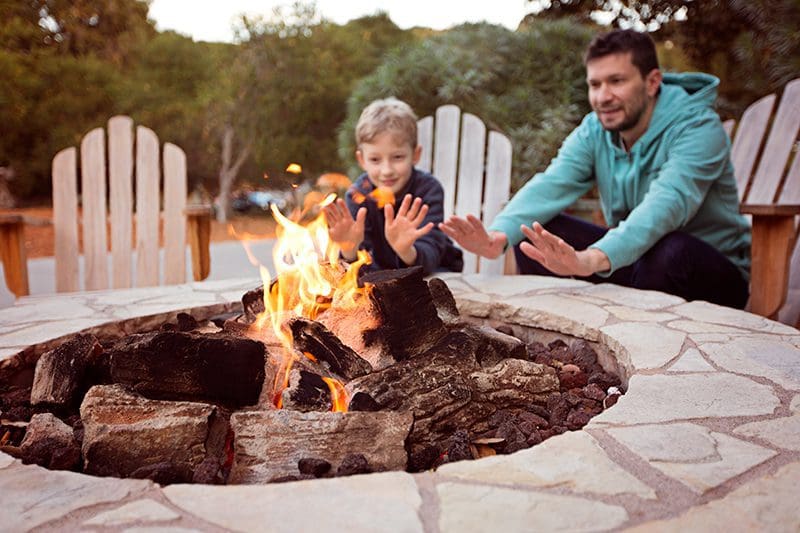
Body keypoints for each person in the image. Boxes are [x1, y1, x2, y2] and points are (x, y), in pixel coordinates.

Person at [440, 29, 750, 309]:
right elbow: (553, 182)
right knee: (535, 234)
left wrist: (590, 259)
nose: (603, 97)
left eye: (617, 81)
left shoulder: (698, 127)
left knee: (669, 250)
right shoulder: (595, 130)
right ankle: (561, 342)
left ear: (652, 82)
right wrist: (497, 238)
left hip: (710, 274)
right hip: (636, 263)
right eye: (595, 84)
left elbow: (667, 204)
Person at [324, 97, 463, 275]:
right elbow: (357, 271)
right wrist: (349, 250)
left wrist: (406, 250)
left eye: (397, 157)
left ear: (415, 155)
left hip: (434, 277)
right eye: (375, 159)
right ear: (361, 160)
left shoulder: (428, 190)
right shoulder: (358, 196)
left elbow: (432, 254)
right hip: (383, 281)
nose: (386, 170)